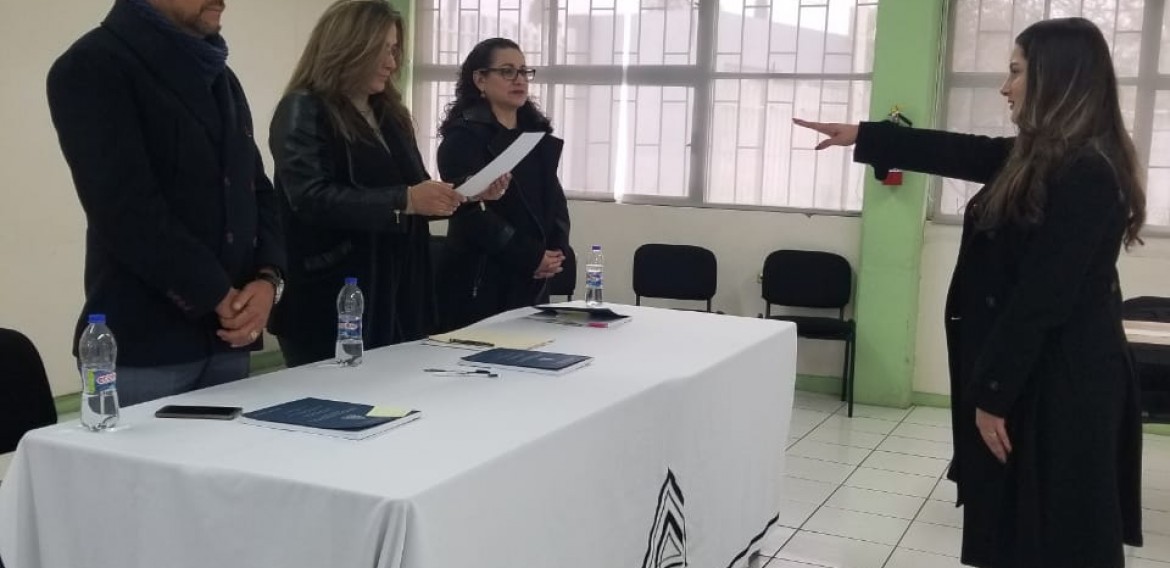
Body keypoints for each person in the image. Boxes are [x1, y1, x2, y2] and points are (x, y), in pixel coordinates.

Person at [798, 17, 1145, 568]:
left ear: (1057, 78)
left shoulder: (1088, 173)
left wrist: (992, 395)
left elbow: (1041, 300)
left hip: (1062, 385)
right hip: (1039, 372)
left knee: (1057, 535)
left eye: (1016, 72)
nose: (1006, 87)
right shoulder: (1043, 158)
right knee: (1017, 531)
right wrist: (865, 135)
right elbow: (961, 152)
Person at [46, 0, 286, 405]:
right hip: (146, 345)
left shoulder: (220, 75)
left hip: (229, 337)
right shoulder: (93, 64)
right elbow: (125, 211)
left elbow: (256, 190)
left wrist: (268, 280)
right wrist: (218, 294)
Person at [268, 0, 507, 366]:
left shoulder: (390, 115)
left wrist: (468, 191)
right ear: (348, 47)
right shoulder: (304, 108)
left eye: (395, 50)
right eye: (382, 49)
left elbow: (416, 193)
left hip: (399, 291)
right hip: (333, 294)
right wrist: (404, 200)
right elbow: (310, 198)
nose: (392, 63)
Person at [435, 37, 571, 332]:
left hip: (533, 278)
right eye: (507, 71)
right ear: (480, 79)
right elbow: (470, 214)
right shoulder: (461, 139)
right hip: (481, 278)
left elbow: (553, 199)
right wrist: (529, 256)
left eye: (523, 71)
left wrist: (556, 251)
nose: (519, 79)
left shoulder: (534, 136)